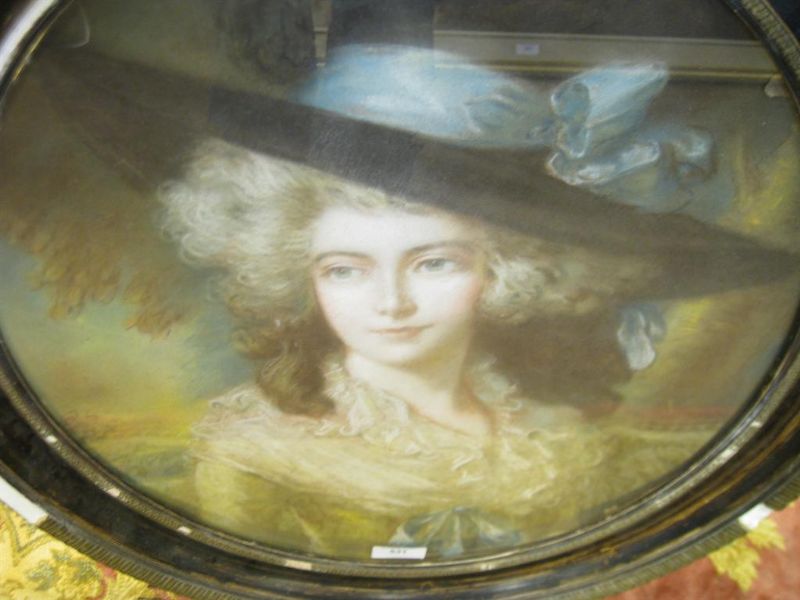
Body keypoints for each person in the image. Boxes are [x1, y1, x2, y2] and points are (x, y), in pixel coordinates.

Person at [159, 138, 712, 559]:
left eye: (434, 263)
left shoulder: (551, 426)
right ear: (304, 281)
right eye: (345, 270)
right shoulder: (256, 449)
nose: (392, 302)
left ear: (501, 270)